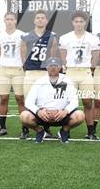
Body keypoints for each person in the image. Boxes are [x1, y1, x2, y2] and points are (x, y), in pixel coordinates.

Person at [20, 57, 85, 143]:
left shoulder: (67, 81)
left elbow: (74, 101)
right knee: (24, 116)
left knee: (80, 115)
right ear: (46, 67)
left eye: (56, 65)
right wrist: (38, 111)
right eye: (50, 66)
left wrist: (65, 111)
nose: (53, 68)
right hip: (43, 116)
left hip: (61, 115)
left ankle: (64, 131)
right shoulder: (39, 81)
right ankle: (40, 131)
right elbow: (28, 102)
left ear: (60, 67)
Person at [59, 11, 100, 140]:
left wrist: (91, 68)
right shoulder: (65, 37)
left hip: (85, 72)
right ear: (72, 23)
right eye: (76, 21)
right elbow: (62, 54)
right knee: (68, 102)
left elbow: (95, 55)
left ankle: (91, 131)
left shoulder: (93, 38)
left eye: (81, 21)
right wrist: (66, 66)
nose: (78, 24)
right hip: (71, 72)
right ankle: (66, 129)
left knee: (88, 102)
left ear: (85, 23)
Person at [21, 9, 59, 138]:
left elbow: (53, 56)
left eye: (43, 18)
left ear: (46, 20)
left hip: (44, 73)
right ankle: (25, 129)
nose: (40, 20)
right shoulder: (27, 36)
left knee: (45, 102)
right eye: (38, 18)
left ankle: (46, 129)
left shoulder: (52, 36)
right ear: (34, 20)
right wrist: (25, 67)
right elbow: (23, 54)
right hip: (31, 72)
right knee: (27, 101)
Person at [0, 12, 26, 137]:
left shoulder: (22, 35)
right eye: (7, 19)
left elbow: (24, 50)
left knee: (20, 99)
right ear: (4, 20)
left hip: (18, 69)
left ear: (15, 21)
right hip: (4, 70)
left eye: (12, 19)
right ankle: (2, 126)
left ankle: (24, 128)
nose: (9, 21)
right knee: (3, 98)